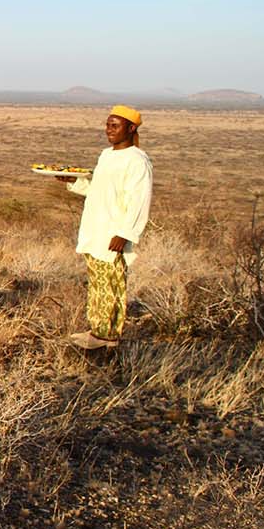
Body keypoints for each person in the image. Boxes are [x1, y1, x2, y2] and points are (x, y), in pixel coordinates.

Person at [55, 105, 152, 350]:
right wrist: (74, 182)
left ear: (130, 128)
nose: (109, 130)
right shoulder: (106, 155)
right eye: (108, 125)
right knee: (98, 284)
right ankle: (97, 331)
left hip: (113, 233)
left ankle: (109, 338)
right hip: (95, 230)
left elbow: (139, 200)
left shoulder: (137, 161)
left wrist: (125, 233)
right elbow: (97, 191)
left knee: (112, 286)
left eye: (115, 125)